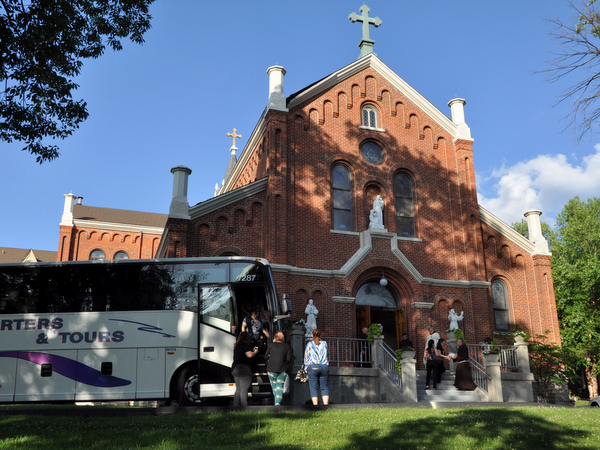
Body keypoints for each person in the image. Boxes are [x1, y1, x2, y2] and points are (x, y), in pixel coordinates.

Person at [231, 331, 258, 407]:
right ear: (247, 338)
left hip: (235, 368)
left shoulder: (237, 345)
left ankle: (235, 406)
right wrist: (255, 352)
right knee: (244, 389)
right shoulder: (245, 345)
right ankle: (244, 406)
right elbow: (249, 355)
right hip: (244, 369)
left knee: (238, 389)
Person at [304, 328, 329, 405]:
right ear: (320, 335)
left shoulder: (310, 344)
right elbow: (327, 354)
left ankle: (315, 405)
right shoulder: (324, 344)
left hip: (313, 366)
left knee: (313, 387)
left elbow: (306, 356)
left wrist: (306, 368)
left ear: (312, 335)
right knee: (324, 386)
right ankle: (326, 405)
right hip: (324, 366)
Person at [266, 331, 292, 406]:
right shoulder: (286, 346)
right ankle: (277, 405)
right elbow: (288, 359)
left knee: (274, 389)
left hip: (271, 369)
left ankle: (277, 404)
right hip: (282, 369)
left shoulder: (271, 345)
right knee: (279, 388)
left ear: (275, 338)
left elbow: (265, 356)